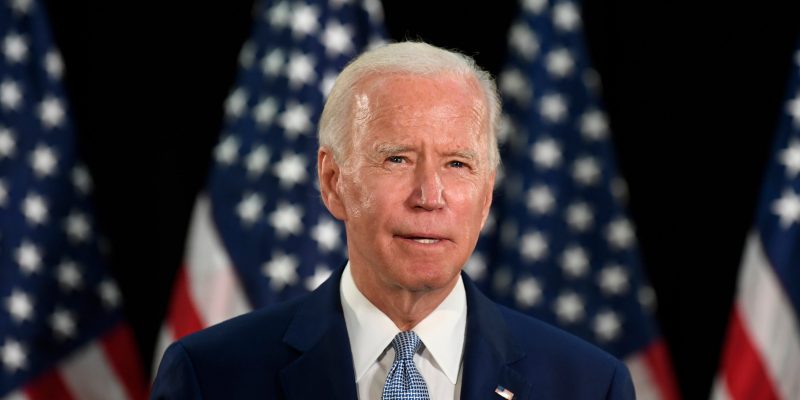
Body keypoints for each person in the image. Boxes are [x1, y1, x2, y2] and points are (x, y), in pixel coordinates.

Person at [151, 41, 635, 400]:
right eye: (398, 159)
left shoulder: (590, 385)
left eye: (457, 164)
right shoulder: (210, 377)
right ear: (333, 181)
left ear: (486, 194)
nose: (430, 196)